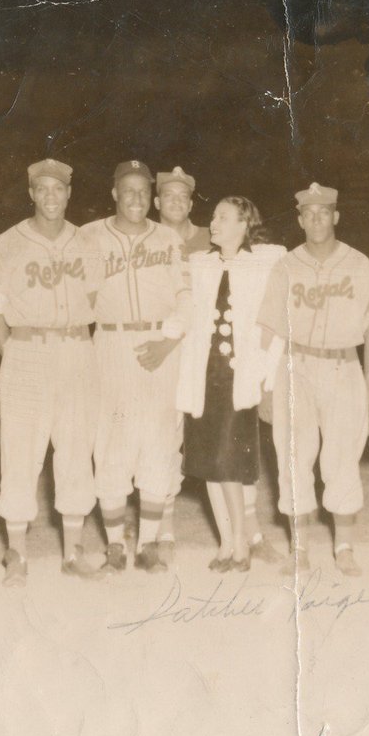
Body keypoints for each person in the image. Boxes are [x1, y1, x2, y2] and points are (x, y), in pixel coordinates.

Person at [154, 166, 283, 567]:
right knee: (210, 462)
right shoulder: (200, 264)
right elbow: (186, 309)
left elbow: (274, 321)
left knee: (231, 463)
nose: (214, 223)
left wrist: (263, 370)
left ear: (245, 224)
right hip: (203, 375)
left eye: (224, 218)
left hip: (239, 376)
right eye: (213, 217)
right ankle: (227, 543)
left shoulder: (266, 262)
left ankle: (242, 543)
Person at [0, 158, 102, 586]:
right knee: (20, 452)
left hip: (75, 349)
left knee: (75, 450)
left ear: (69, 193)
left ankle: (72, 552)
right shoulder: (7, 243)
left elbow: (98, 302)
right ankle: (16, 554)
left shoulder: (86, 242)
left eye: (59, 189)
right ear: (31, 193)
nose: (51, 196)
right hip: (27, 350)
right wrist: (13, 356)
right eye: (43, 189)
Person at [74, 160, 190, 573]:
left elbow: (186, 297)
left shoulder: (169, 238)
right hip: (110, 343)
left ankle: (148, 544)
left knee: (159, 442)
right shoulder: (89, 237)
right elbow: (79, 299)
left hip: (161, 343)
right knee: (111, 442)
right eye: (129, 190)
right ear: (114, 194)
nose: (137, 198)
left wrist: (169, 342)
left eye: (144, 191)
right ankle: (115, 546)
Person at [258, 183, 369, 576]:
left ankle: (344, 548)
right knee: (293, 457)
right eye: (308, 214)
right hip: (296, 367)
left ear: (335, 216)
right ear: (300, 220)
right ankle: (300, 550)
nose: (316, 220)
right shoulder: (285, 266)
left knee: (343, 458)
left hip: (343, 366)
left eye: (323, 212)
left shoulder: (358, 263)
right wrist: (264, 385)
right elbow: (270, 330)